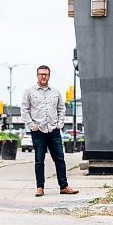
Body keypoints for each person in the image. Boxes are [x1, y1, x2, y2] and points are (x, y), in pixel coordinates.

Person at [21, 65, 79, 197]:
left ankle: (64, 186)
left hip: (54, 131)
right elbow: (24, 110)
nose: (43, 76)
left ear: (49, 75)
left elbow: (61, 109)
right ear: (37, 75)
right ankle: (40, 187)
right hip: (38, 131)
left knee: (60, 159)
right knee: (39, 160)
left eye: (46, 74)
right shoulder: (29, 91)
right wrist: (32, 126)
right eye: (41, 74)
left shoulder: (56, 92)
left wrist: (60, 124)